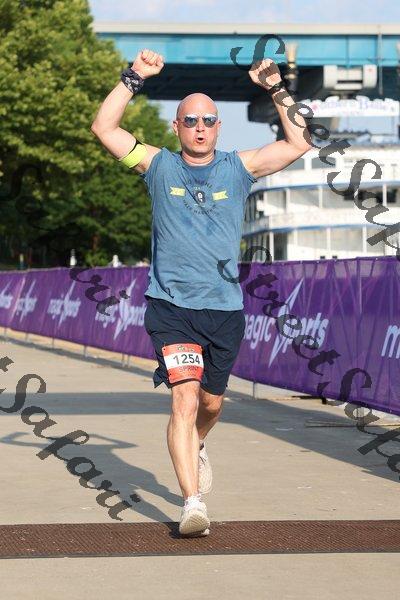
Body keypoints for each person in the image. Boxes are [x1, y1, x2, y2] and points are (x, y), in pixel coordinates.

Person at [91, 49, 311, 536]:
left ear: (218, 128)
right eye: (190, 120)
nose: (199, 127)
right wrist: (134, 77)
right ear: (177, 127)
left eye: (208, 120)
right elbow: (104, 128)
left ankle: (199, 444)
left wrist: (276, 88)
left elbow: (299, 142)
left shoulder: (239, 167)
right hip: (171, 307)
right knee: (184, 401)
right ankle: (192, 504)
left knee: (210, 404)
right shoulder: (157, 166)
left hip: (224, 310)